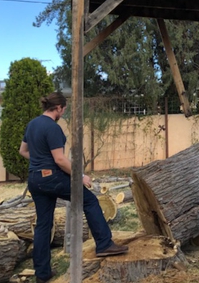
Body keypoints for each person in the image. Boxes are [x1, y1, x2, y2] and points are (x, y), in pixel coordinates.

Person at [19, 92, 128, 283]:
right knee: (90, 200)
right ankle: (104, 244)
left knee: (44, 225)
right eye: (64, 109)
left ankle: (42, 273)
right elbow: (60, 160)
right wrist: (81, 176)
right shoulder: (53, 128)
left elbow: (23, 151)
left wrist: (39, 162)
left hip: (35, 180)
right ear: (59, 108)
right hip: (51, 178)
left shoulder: (32, 124)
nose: (64, 112)